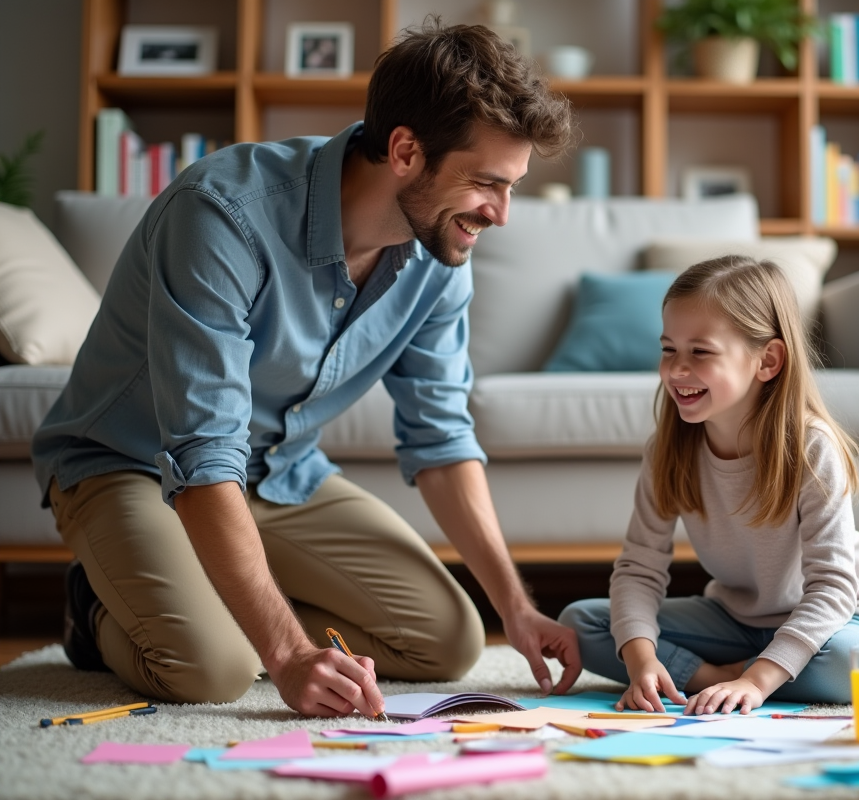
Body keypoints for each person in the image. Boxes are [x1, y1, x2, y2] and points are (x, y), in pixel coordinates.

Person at [32, 21, 582, 717]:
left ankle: (218, 593)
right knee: (213, 669)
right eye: (486, 184)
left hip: (279, 472)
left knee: (446, 640)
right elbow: (202, 456)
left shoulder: (441, 255)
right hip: (130, 464)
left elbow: (440, 441)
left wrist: (518, 609)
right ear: (406, 151)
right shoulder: (222, 217)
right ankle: (97, 607)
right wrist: (287, 655)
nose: (501, 214)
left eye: (513, 188)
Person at [559, 256, 859, 715]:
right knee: (582, 624)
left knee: (847, 664)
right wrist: (641, 662)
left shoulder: (812, 447)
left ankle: (740, 675)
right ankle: (718, 679)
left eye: (700, 352)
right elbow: (638, 568)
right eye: (668, 349)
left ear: (767, 361)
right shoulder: (669, 448)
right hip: (732, 620)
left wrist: (757, 681)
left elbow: (834, 589)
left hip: (838, 621)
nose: (676, 369)